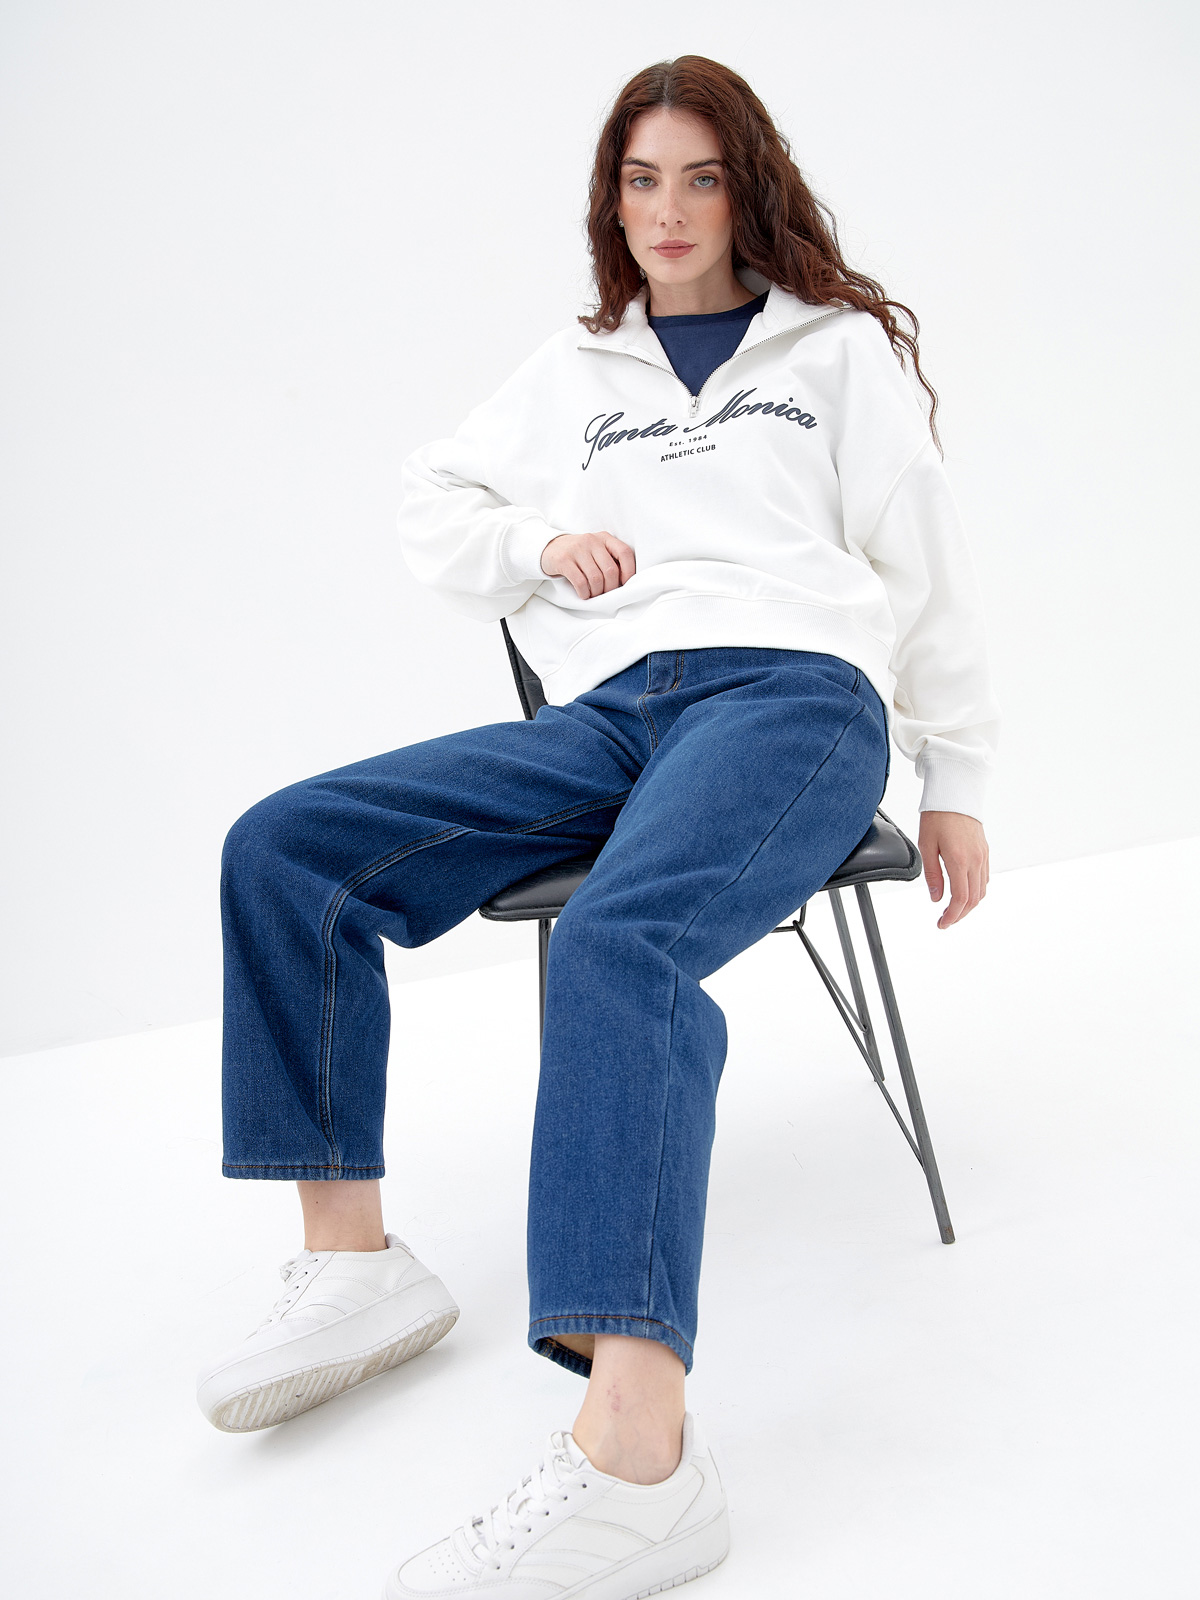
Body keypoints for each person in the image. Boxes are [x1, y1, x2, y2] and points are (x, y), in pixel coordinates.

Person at [198, 54, 1000, 1600]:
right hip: (619, 712)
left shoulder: (833, 352)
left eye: (700, 178)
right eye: (642, 181)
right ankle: (354, 1266)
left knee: (620, 943)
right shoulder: (577, 372)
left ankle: (641, 1459)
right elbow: (432, 498)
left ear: (747, 189)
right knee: (288, 848)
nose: (669, 210)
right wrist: (535, 543)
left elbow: (928, 560)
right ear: (609, 202)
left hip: (794, 703)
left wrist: (954, 771)